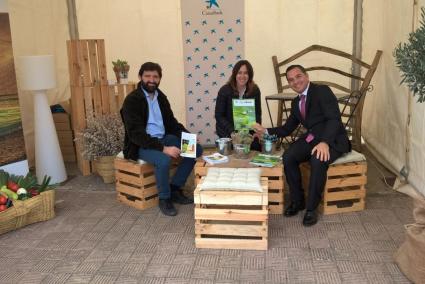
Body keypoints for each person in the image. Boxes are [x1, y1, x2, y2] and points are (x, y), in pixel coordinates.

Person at [253, 65, 350, 226]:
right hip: (312, 139)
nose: (295, 81)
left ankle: (311, 209)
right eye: (291, 80)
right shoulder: (296, 102)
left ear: (306, 76)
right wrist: (265, 131)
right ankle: (298, 201)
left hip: (333, 139)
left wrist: (324, 142)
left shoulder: (322, 91)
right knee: (289, 156)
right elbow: (287, 128)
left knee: (317, 159)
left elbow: (334, 119)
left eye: (298, 76)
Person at [120, 62, 203, 216]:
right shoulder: (132, 100)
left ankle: (175, 188)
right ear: (140, 77)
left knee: (194, 149)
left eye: (155, 76)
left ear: (159, 79)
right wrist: (164, 149)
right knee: (163, 160)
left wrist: (188, 136)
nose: (151, 80)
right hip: (141, 145)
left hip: (164, 138)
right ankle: (164, 199)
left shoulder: (161, 97)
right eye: (147, 76)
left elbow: (171, 122)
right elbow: (135, 134)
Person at [215, 60, 262, 151]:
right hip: (228, 130)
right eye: (239, 73)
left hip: (248, 130)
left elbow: (258, 113)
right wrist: (232, 131)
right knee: (235, 149)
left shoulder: (255, 90)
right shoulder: (225, 90)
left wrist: (257, 130)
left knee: (255, 147)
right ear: (234, 74)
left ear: (250, 75)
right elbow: (219, 115)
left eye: (246, 73)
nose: (242, 76)